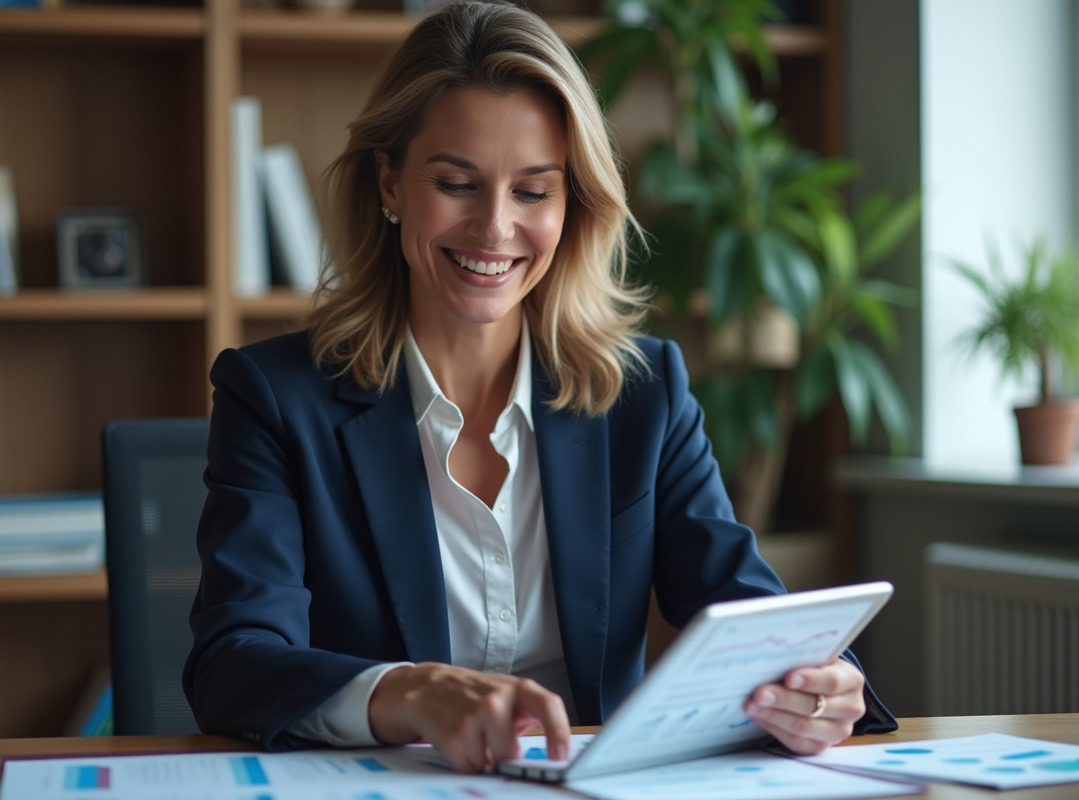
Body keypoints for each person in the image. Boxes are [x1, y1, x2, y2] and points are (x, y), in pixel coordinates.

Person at [182, 0, 895, 773]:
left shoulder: (645, 393)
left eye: (533, 191)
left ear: (572, 203)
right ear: (388, 182)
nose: (495, 227)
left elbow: (750, 617)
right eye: (457, 182)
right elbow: (233, 661)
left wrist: (823, 687)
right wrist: (408, 692)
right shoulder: (275, 396)